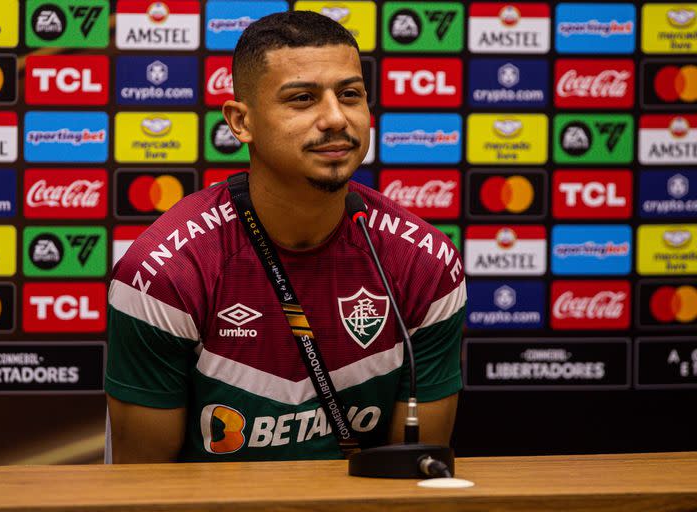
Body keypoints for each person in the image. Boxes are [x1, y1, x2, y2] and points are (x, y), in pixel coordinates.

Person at [105, 10, 466, 463]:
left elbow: (413, 471)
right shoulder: (165, 271)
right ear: (241, 123)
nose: (336, 118)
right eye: (302, 99)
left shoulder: (425, 262)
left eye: (350, 95)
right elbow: (146, 487)